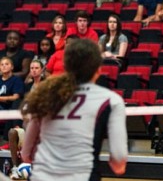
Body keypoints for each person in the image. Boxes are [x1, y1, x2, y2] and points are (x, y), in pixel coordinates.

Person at [21, 39, 128, 181]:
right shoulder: (111, 100)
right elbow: (119, 160)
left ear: (65, 65)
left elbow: (26, 153)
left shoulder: (45, 93)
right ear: (98, 68)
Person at [8, 60, 44, 180]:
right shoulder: (27, 87)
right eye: (32, 68)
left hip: (42, 129)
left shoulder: (47, 86)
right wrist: (18, 124)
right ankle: (15, 168)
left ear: (42, 70)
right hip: (26, 126)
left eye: (36, 68)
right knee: (12, 132)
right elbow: (21, 106)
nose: (34, 70)